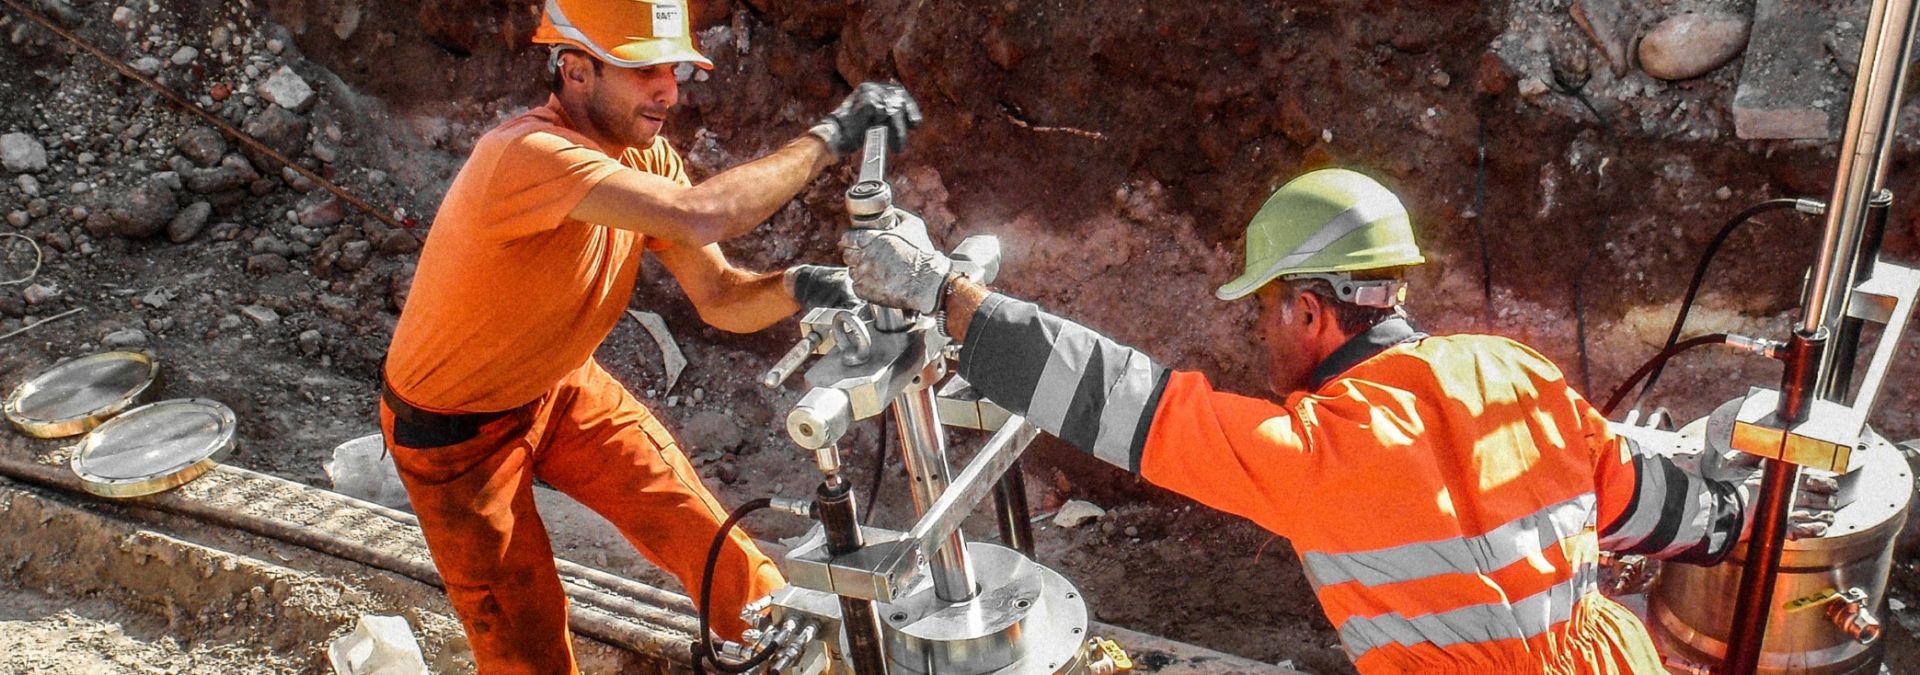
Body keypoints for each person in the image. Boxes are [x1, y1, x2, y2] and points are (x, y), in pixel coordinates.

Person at [841, 168, 1837, 674]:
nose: (1260, 333)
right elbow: (1647, 503)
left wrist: (947, 298)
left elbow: (1120, 399)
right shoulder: (1514, 373)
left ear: (1311, 311)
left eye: (1265, 310)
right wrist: (1744, 511)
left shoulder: (1315, 454)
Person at [377, 0, 921, 671]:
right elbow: (704, 215)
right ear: (576, 70)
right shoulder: (526, 154)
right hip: (454, 437)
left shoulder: (647, 159)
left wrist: (800, 284)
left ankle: (797, 658)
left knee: (710, 543)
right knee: (524, 638)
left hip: (561, 386)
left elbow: (721, 297)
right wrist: (832, 136)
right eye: (644, 71)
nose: (669, 90)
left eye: (674, 70)